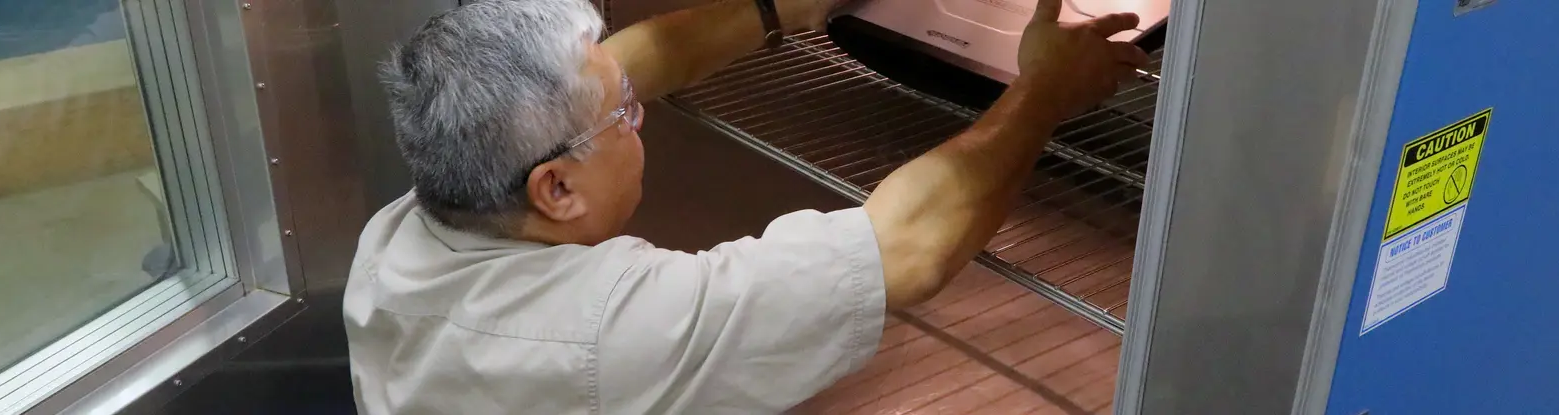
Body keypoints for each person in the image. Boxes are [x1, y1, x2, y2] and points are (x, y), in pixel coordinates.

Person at [341, 0, 1149, 412]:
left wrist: (778, 9)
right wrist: (1043, 90)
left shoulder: (408, 226)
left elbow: (622, 65)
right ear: (556, 189)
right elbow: (906, 247)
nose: (638, 112)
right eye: (625, 114)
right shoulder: (604, 332)